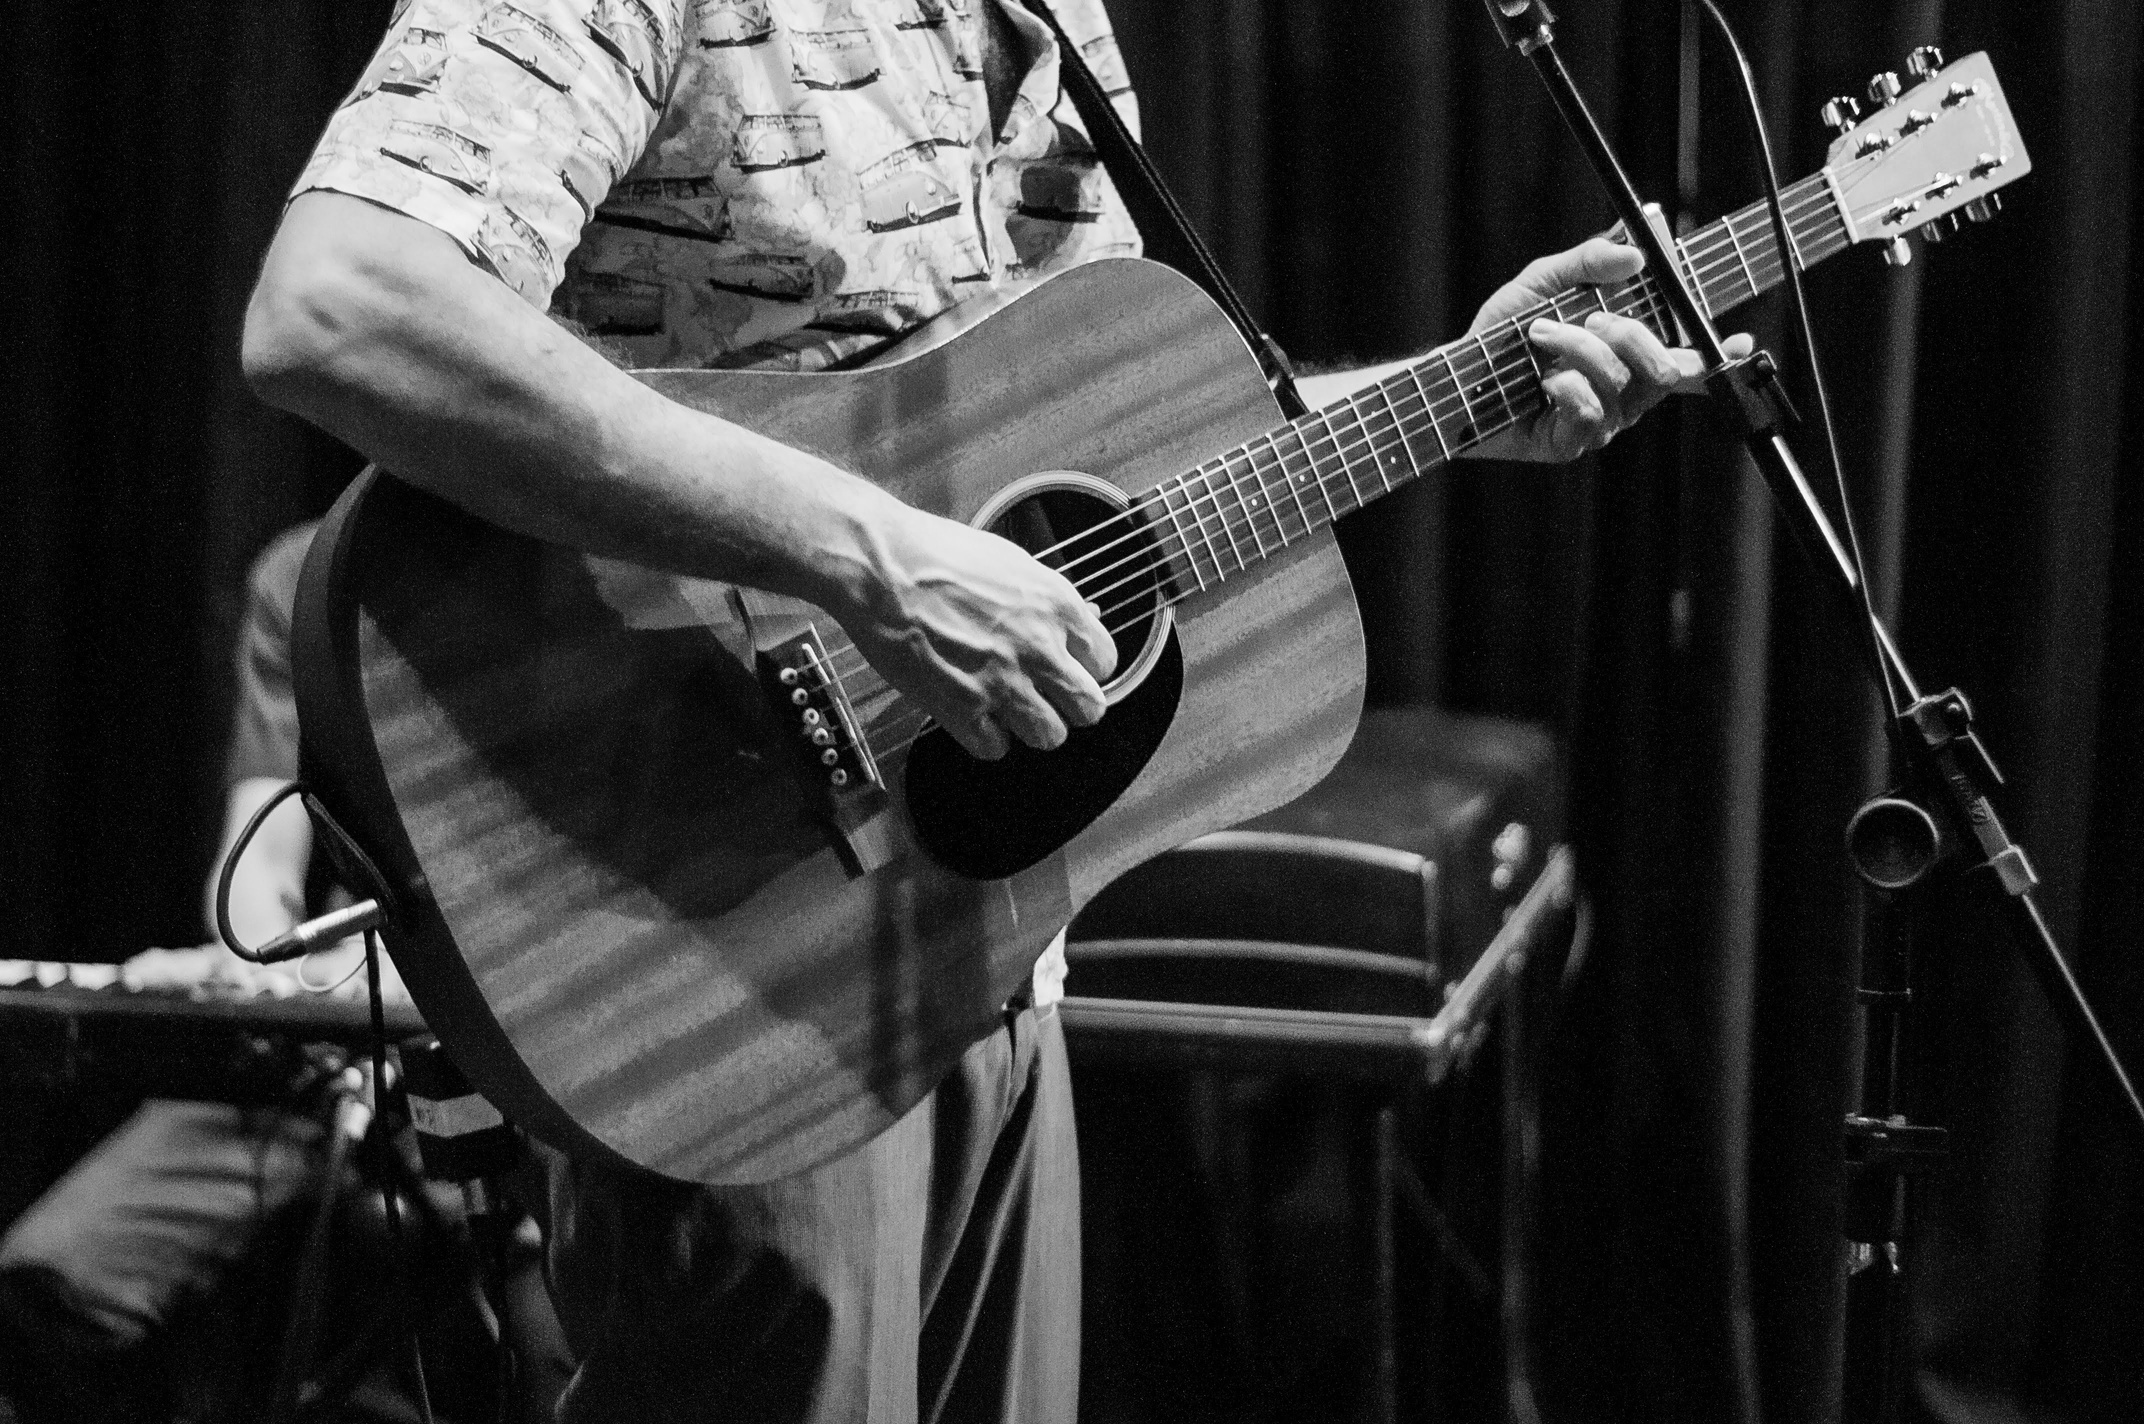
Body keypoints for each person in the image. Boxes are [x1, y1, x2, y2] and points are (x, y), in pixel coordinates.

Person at [238, 3, 1746, 1419]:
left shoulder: (1045, 21)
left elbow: (1104, 489)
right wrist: (872, 559)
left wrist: (1465, 390)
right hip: (717, 930)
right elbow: (342, 309)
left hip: (978, 949)